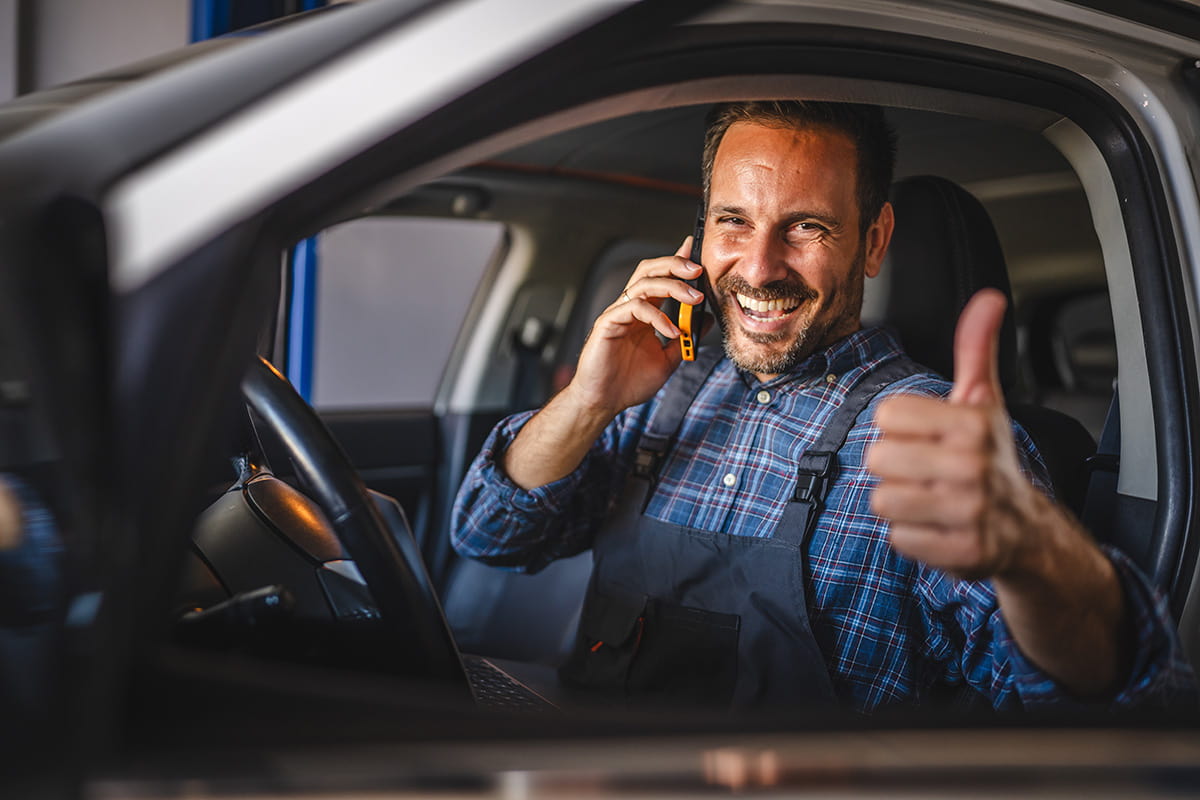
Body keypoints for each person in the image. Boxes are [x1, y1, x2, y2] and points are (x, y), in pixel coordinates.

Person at [452, 101, 1195, 713]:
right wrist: (590, 398)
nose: (760, 267)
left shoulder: (936, 439)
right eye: (733, 221)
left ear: (873, 242)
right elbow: (490, 537)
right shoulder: (663, 392)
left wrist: (1034, 553)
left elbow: (1086, 697)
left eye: (807, 226)